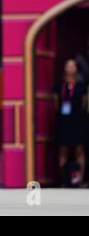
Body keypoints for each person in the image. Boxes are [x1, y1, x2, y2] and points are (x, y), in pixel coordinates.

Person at [53, 59, 87, 187]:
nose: (70, 68)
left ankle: (80, 180)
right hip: (63, 121)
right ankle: (65, 179)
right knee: (63, 150)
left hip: (77, 121)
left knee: (79, 149)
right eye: (68, 65)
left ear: (76, 69)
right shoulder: (59, 85)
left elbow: (84, 105)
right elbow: (56, 105)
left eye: (73, 66)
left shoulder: (82, 86)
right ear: (65, 68)